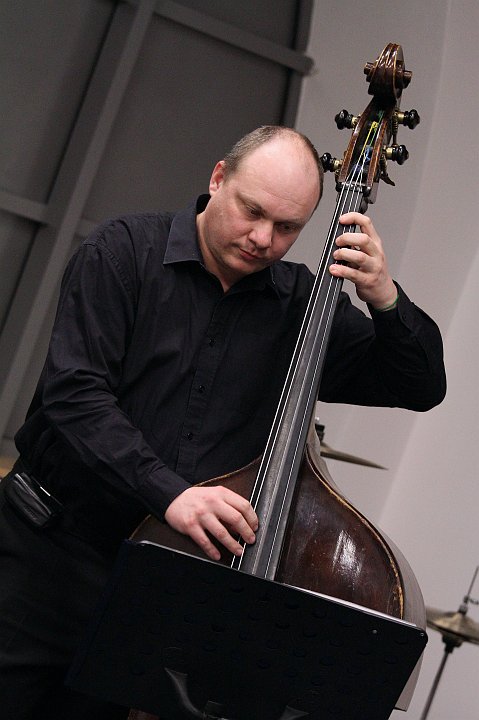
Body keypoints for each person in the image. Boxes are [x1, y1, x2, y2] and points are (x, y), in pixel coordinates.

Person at [0, 126, 446, 719]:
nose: (263, 239)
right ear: (218, 179)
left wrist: (384, 296)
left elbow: (419, 386)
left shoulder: (302, 306)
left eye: (287, 227)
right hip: (45, 558)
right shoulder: (122, 252)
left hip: (154, 589)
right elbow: (74, 395)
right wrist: (171, 494)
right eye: (252, 212)